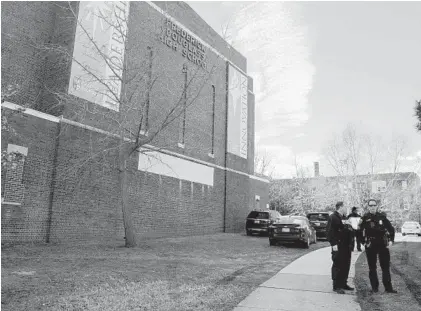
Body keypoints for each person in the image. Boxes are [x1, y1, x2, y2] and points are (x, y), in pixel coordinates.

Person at [360, 199, 397, 293]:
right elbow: (359, 230)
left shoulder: (382, 217)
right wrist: (362, 242)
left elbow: (391, 229)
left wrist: (391, 240)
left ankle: (388, 288)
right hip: (370, 244)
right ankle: (374, 288)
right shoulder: (364, 217)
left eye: (374, 205)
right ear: (368, 207)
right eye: (370, 206)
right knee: (372, 267)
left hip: (382, 243)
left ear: (376, 206)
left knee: (385, 266)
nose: (372, 207)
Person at [327, 201, 355, 294]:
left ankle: (343, 283)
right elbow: (329, 232)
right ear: (340, 207)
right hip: (338, 245)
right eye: (345, 206)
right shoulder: (333, 217)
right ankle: (336, 286)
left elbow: (348, 229)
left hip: (346, 245)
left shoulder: (344, 217)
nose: (346, 208)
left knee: (346, 265)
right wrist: (333, 244)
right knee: (338, 264)